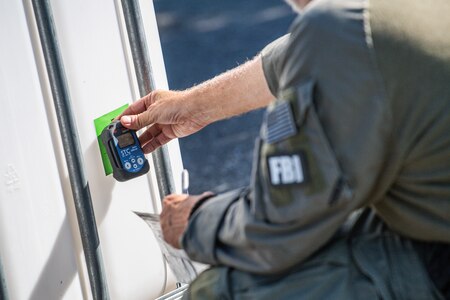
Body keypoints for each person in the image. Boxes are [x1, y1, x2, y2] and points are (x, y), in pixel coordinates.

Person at [119, 0, 450, 298]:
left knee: (227, 289)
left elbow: (276, 230)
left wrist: (196, 221)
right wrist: (192, 106)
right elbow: (305, 54)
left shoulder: (337, 28)